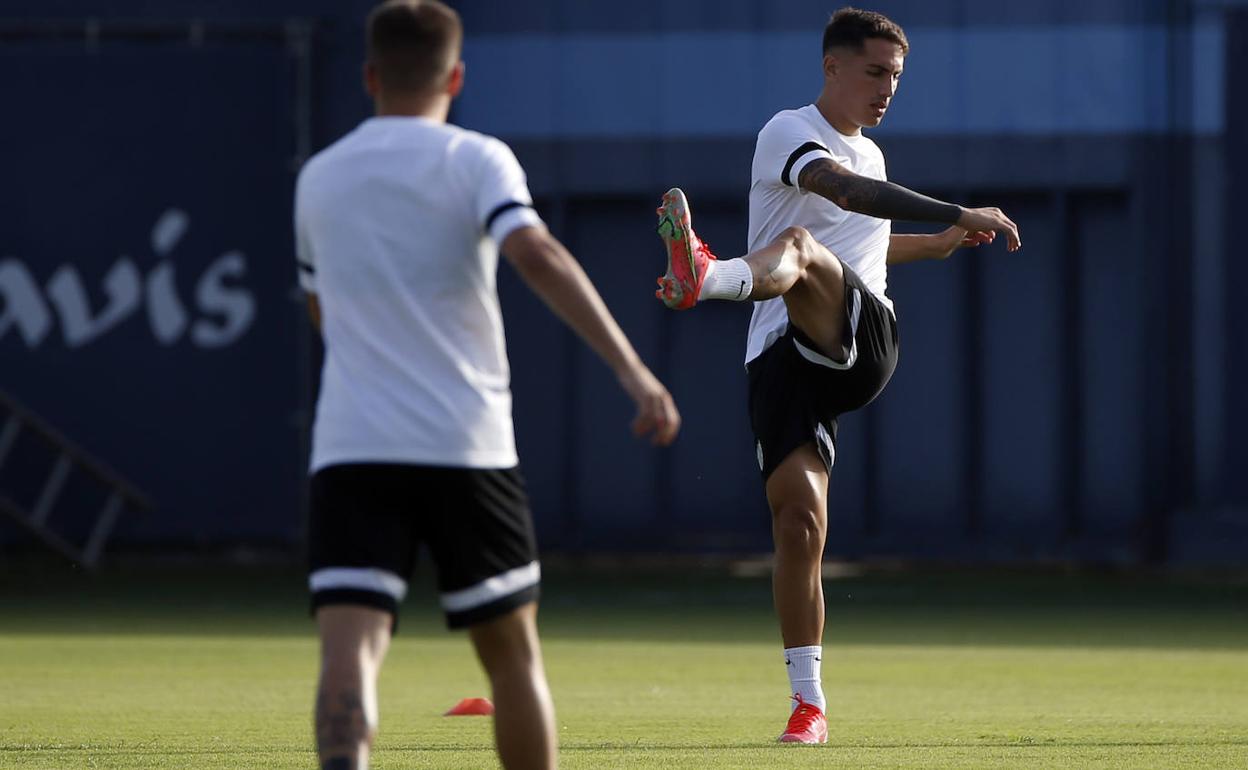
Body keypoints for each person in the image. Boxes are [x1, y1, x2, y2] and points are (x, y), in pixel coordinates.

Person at [295, 2, 681, 768]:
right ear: (457, 76)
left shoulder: (319, 176)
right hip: (466, 444)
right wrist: (631, 369)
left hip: (353, 445)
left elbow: (320, 308)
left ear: (370, 75)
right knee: (512, 660)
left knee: (351, 649)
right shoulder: (477, 158)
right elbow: (535, 254)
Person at [652, 7, 1020, 745]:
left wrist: (943, 229)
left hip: (864, 345)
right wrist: (947, 230)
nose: (888, 89)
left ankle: (709, 274)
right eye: (876, 72)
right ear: (832, 66)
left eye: (897, 76)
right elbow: (847, 203)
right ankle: (809, 704)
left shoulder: (872, 159)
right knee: (798, 524)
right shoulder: (789, 129)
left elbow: (853, 233)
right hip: (780, 358)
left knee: (798, 245)